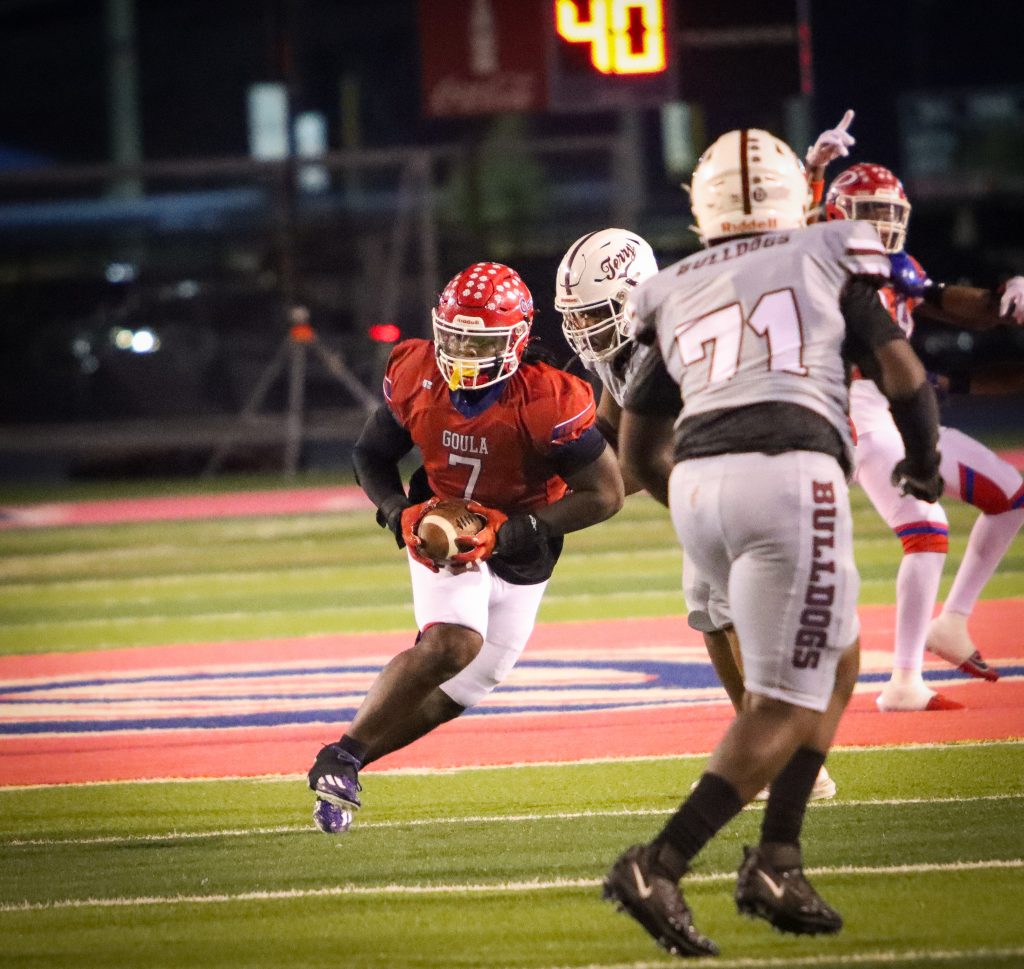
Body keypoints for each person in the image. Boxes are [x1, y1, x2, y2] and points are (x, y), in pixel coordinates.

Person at [601, 127, 943, 956]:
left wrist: (703, 485)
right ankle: (660, 861)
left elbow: (636, 449)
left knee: (845, 656)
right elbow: (903, 373)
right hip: (790, 472)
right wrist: (925, 465)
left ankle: (779, 855)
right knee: (784, 701)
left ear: (700, 206)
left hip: (698, 490)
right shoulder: (824, 253)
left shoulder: (676, 284)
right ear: (796, 196)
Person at [306, 261, 624, 833]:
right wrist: (397, 511)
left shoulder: (549, 398)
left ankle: (345, 759)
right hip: (441, 528)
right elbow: (370, 456)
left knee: (464, 689)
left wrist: (512, 531)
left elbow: (605, 493)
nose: (463, 353)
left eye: (479, 341)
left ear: (515, 340)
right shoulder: (418, 373)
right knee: (452, 646)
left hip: (524, 546)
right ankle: (345, 755)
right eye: (453, 337)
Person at [554, 227, 837, 799]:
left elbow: (641, 459)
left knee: (736, 613)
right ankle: (752, 745)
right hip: (704, 478)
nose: (585, 329)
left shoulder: (674, 340)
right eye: (577, 317)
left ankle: (790, 760)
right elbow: (612, 423)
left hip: (750, 464)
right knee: (708, 611)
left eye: (596, 313)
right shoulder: (624, 349)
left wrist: (568, 499)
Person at [823, 159, 1024, 711]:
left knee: (1009, 495)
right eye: (871, 214)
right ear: (837, 215)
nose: (883, 225)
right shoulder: (825, 265)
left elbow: (945, 298)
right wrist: (813, 172)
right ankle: (904, 681)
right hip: (852, 412)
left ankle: (952, 622)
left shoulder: (893, 267)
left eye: (891, 214)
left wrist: (1006, 296)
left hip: (895, 409)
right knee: (927, 527)